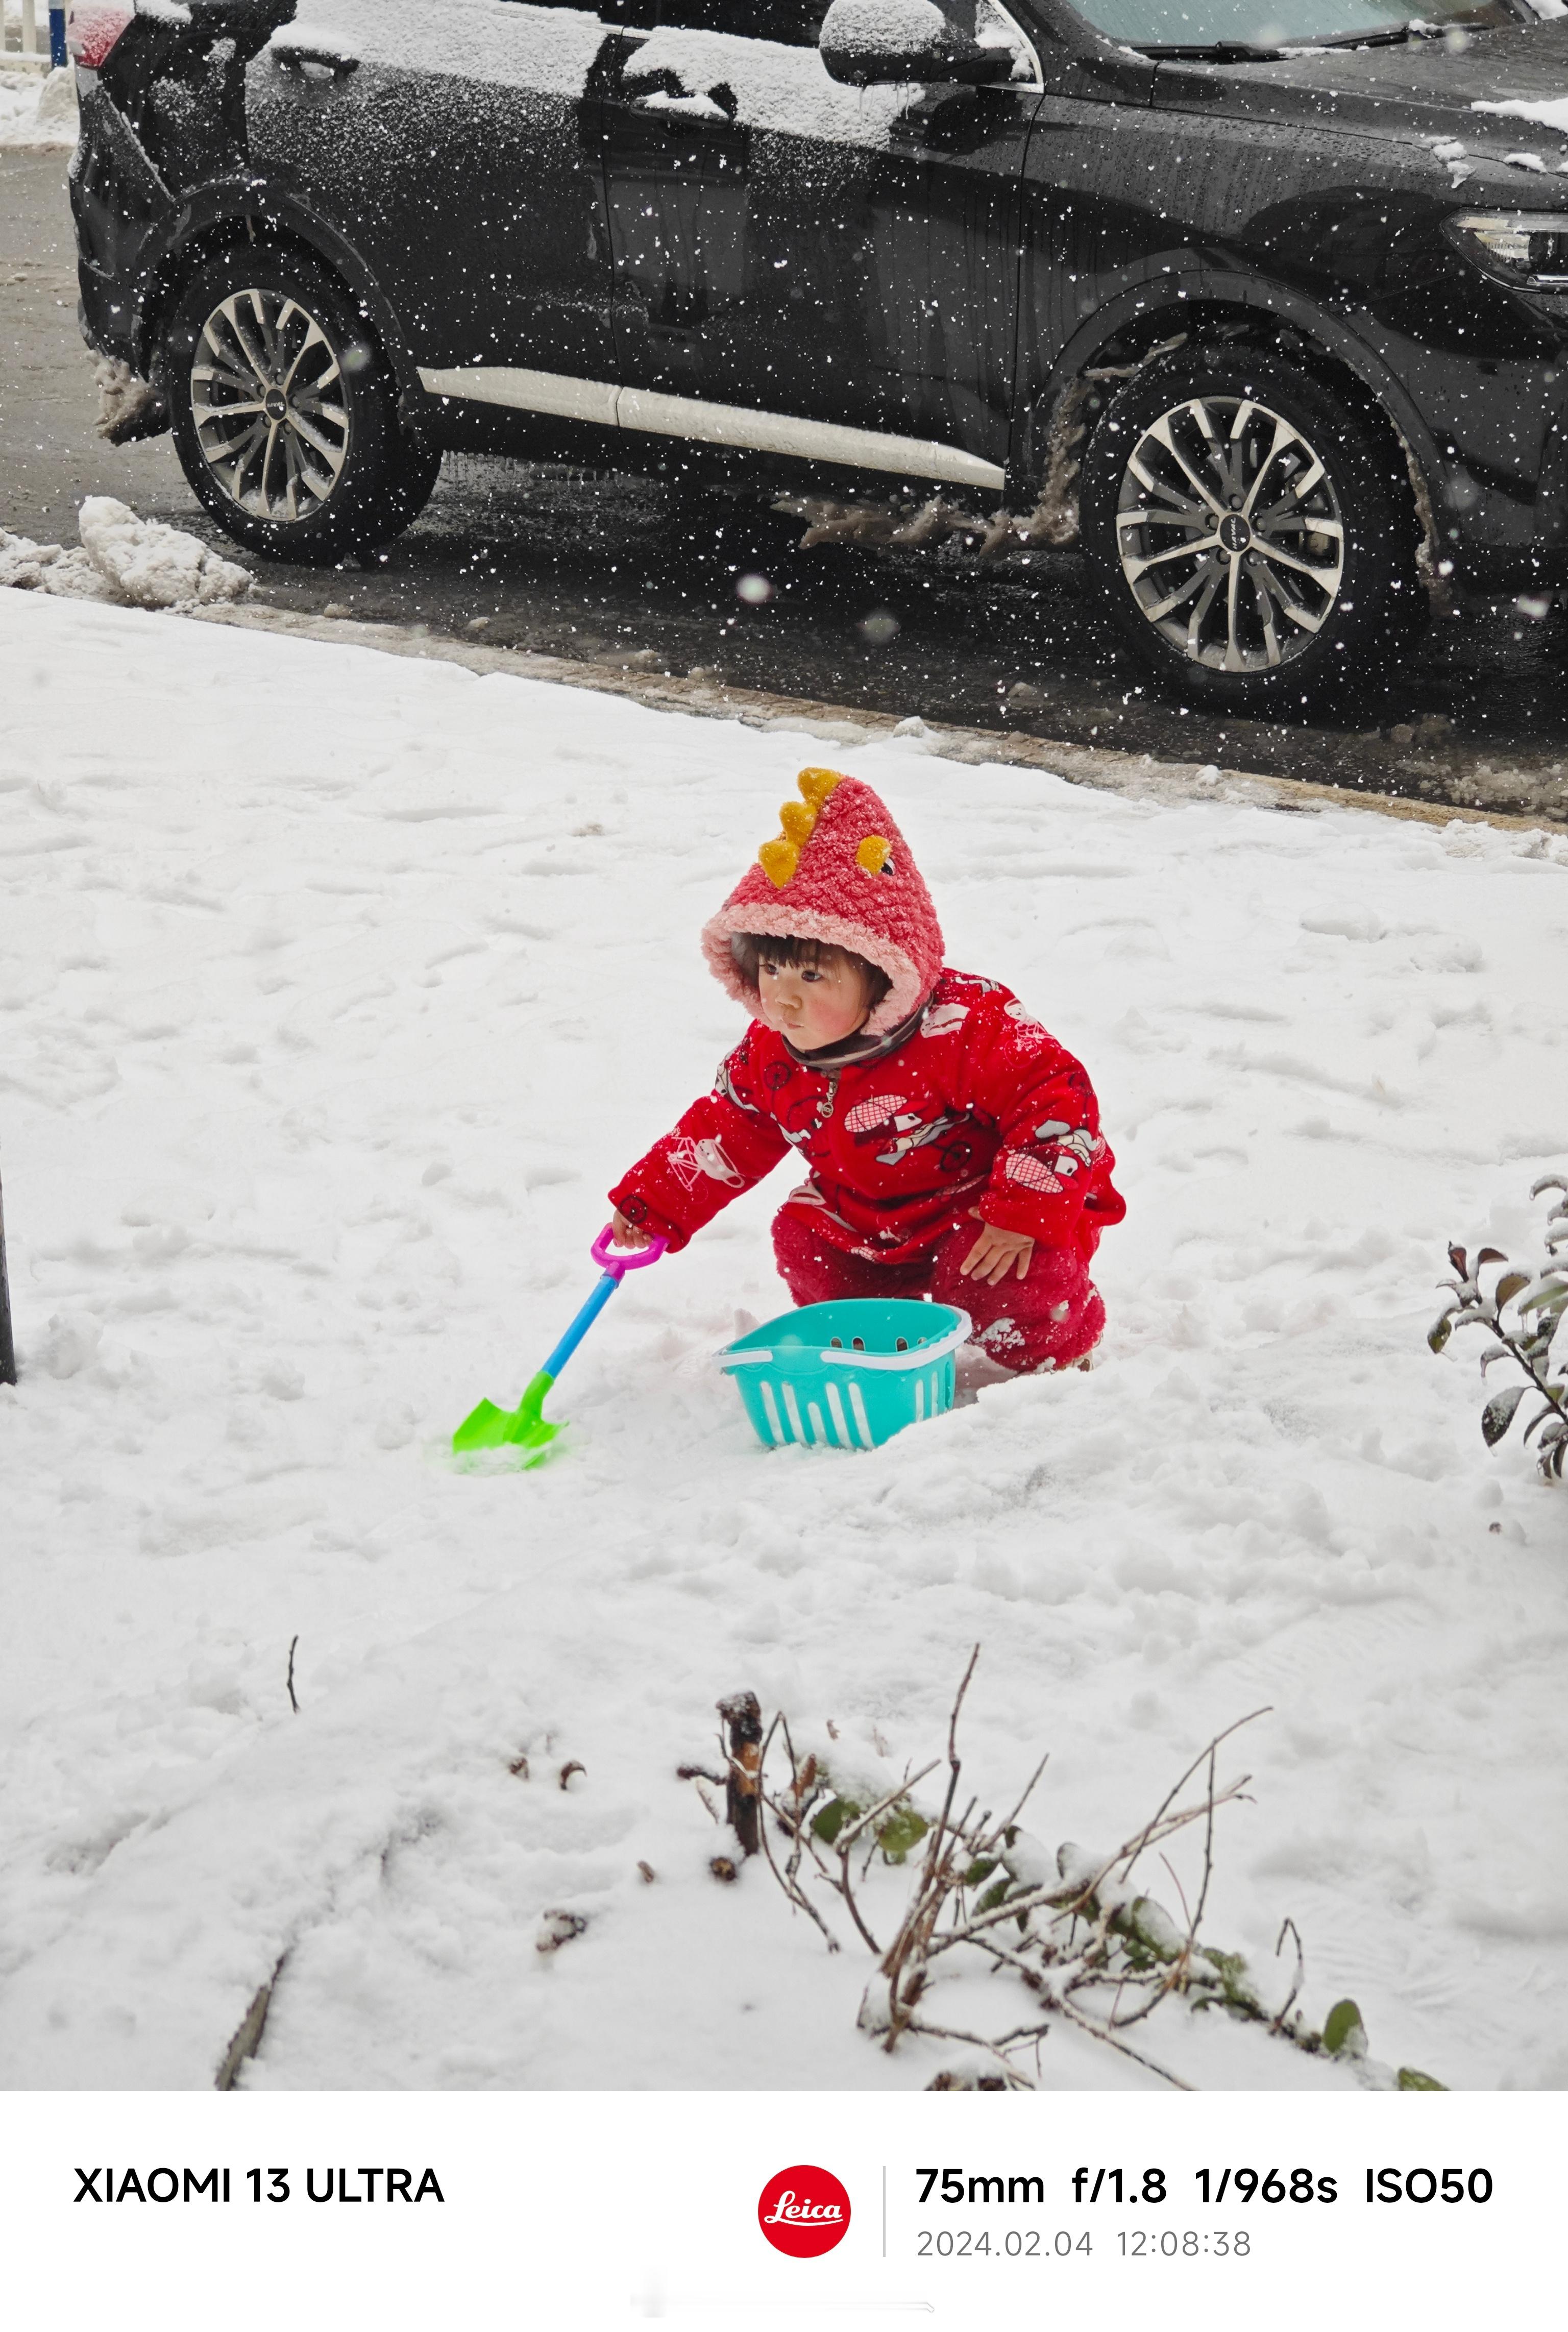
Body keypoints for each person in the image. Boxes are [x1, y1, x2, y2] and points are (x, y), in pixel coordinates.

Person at [608, 768, 1123, 1375]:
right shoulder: (772, 1051)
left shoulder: (966, 1026)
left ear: (882, 974)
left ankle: (1057, 1354)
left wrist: (1020, 1211)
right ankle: (886, 1342)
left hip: (983, 1208)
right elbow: (729, 1128)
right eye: (771, 970)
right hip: (867, 1217)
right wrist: (654, 1203)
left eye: (812, 976)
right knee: (807, 1242)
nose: (784, 999)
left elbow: (1054, 1098)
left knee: (997, 1279)